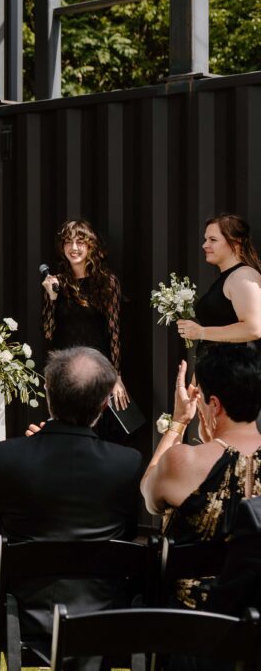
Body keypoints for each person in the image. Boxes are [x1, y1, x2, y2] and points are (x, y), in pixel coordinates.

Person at [0, 347, 142, 671]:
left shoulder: (7, 456)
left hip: (18, 614)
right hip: (100, 614)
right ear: (105, 403)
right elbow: (129, 532)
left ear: (48, 393)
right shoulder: (127, 464)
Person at [141, 344, 261, 610]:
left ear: (214, 404)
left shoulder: (183, 461)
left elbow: (149, 495)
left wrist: (179, 422)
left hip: (195, 627)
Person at [41, 219, 128, 411]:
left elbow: (114, 333)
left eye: (80, 242)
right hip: (66, 371)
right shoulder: (57, 282)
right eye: (68, 242)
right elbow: (48, 334)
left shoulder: (106, 282)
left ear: (90, 246)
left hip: (96, 369)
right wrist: (52, 298)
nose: (73, 247)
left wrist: (116, 377)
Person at [175, 214, 261, 349]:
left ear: (236, 242)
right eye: (205, 239)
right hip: (216, 367)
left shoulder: (243, 275)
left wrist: (200, 332)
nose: (204, 245)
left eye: (213, 240)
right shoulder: (228, 277)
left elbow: (253, 329)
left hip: (233, 368)